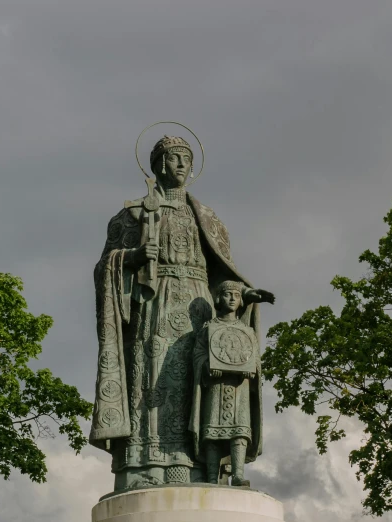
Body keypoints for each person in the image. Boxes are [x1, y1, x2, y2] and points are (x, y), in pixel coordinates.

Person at [89, 135, 274, 491]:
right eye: (174, 158)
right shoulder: (133, 214)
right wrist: (133, 257)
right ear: (159, 163)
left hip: (200, 308)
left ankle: (205, 466)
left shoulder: (208, 218)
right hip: (155, 306)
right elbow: (104, 267)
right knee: (155, 380)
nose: (182, 165)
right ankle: (149, 465)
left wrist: (245, 296)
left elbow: (224, 275)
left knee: (201, 382)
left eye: (186, 159)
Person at [191, 280, 267, 487]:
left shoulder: (246, 330)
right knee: (213, 433)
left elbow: (255, 358)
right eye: (227, 294)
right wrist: (207, 366)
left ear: (241, 300)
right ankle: (211, 476)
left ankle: (238, 475)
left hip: (239, 388)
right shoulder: (209, 328)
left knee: (239, 432)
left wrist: (252, 370)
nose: (232, 298)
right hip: (216, 387)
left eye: (236, 295)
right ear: (218, 298)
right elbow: (197, 355)